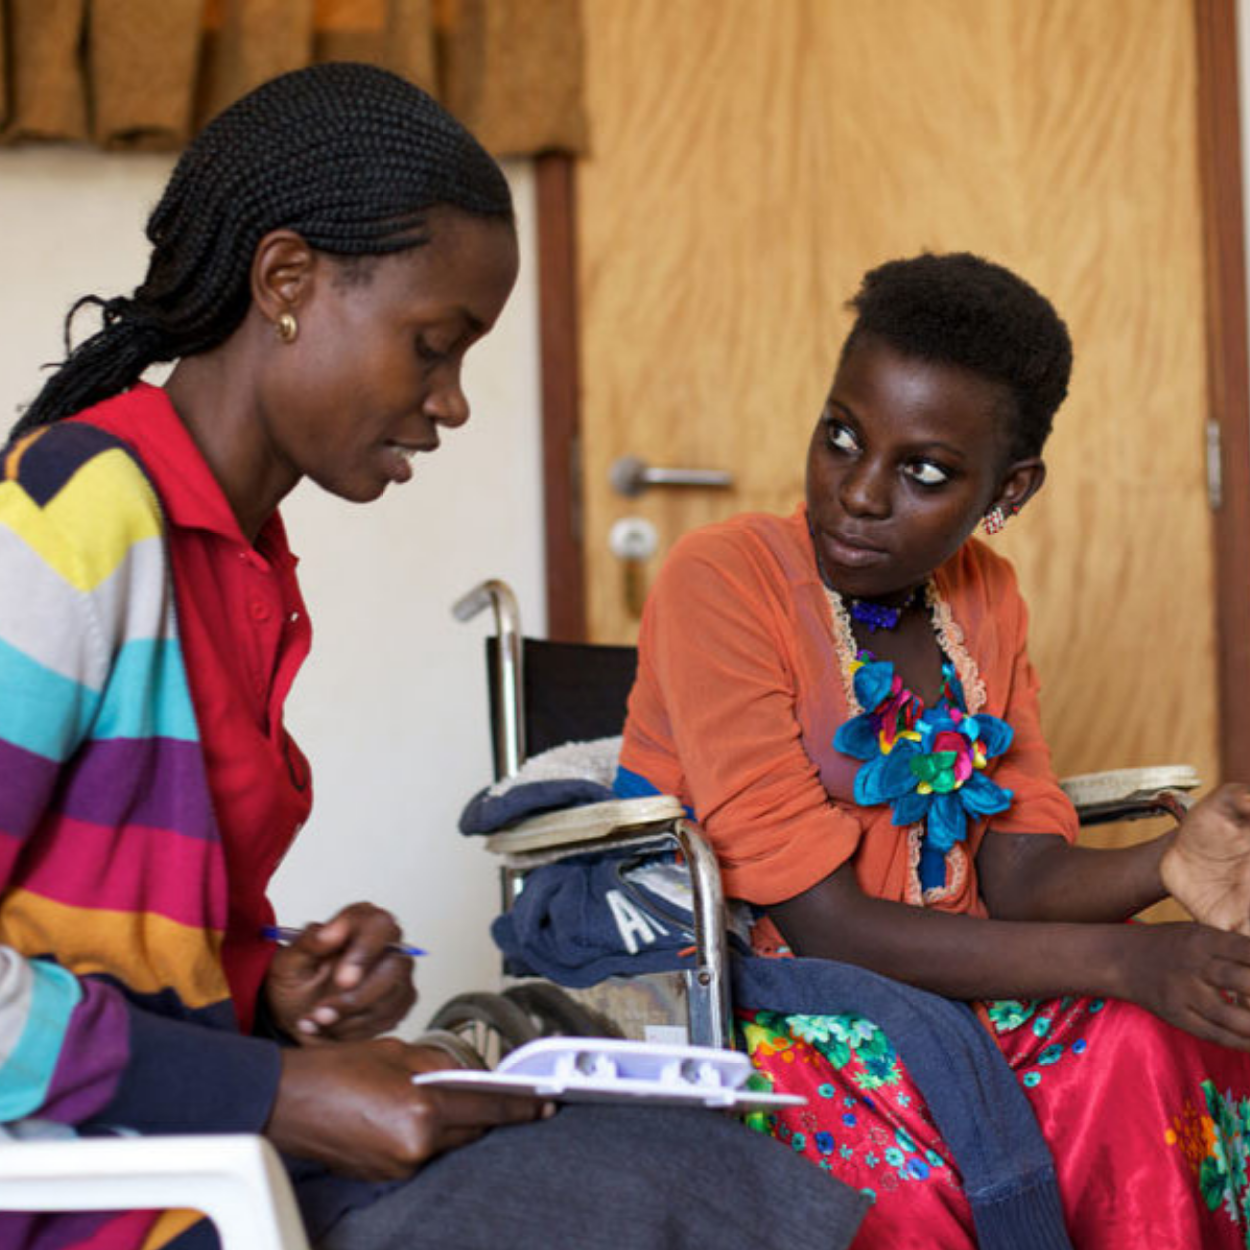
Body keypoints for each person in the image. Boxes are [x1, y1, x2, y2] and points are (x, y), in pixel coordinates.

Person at [0, 63, 870, 1250]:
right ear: (287, 281)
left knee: (691, 1161)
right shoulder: (73, 516)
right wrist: (276, 1091)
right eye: (431, 344)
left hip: (173, 1147)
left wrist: (271, 987)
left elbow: (104, 936)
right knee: (627, 1204)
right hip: (78, 1192)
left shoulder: (238, 561)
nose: (452, 403)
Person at [616, 251, 1250, 1247]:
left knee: (1175, 1040)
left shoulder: (982, 597)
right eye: (839, 435)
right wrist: (1131, 954)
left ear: (1009, 489)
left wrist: (1163, 865)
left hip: (950, 983)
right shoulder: (722, 581)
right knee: (907, 1165)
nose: (857, 493)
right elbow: (826, 925)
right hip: (767, 997)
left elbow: (1022, 871)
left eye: (922, 471)